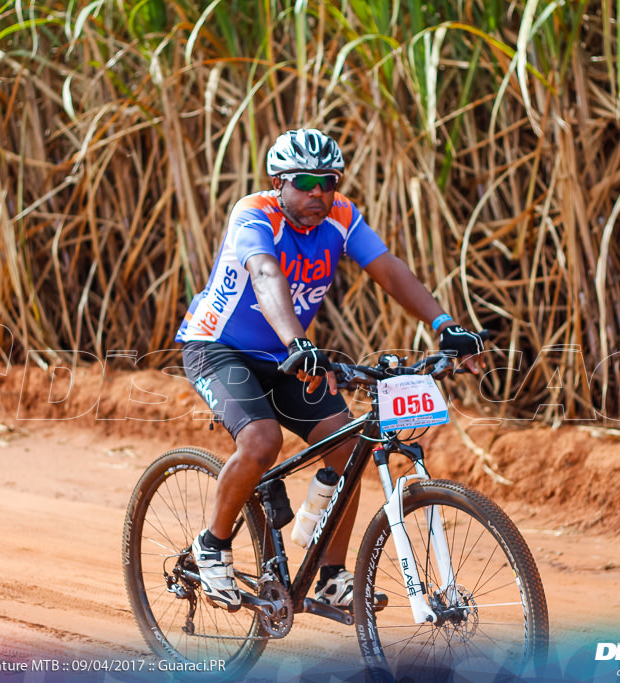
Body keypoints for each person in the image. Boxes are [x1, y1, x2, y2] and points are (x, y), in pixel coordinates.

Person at [175, 129, 485, 611]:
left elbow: (388, 268)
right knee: (260, 440)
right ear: (278, 182)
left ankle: (332, 577)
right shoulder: (254, 213)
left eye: (328, 181)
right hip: (218, 347)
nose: (318, 192)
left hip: (288, 355)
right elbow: (264, 273)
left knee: (347, 448)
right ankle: (211, 546)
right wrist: (298, 342)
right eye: (305, 181)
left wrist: (445, 325)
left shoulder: (342, 216)